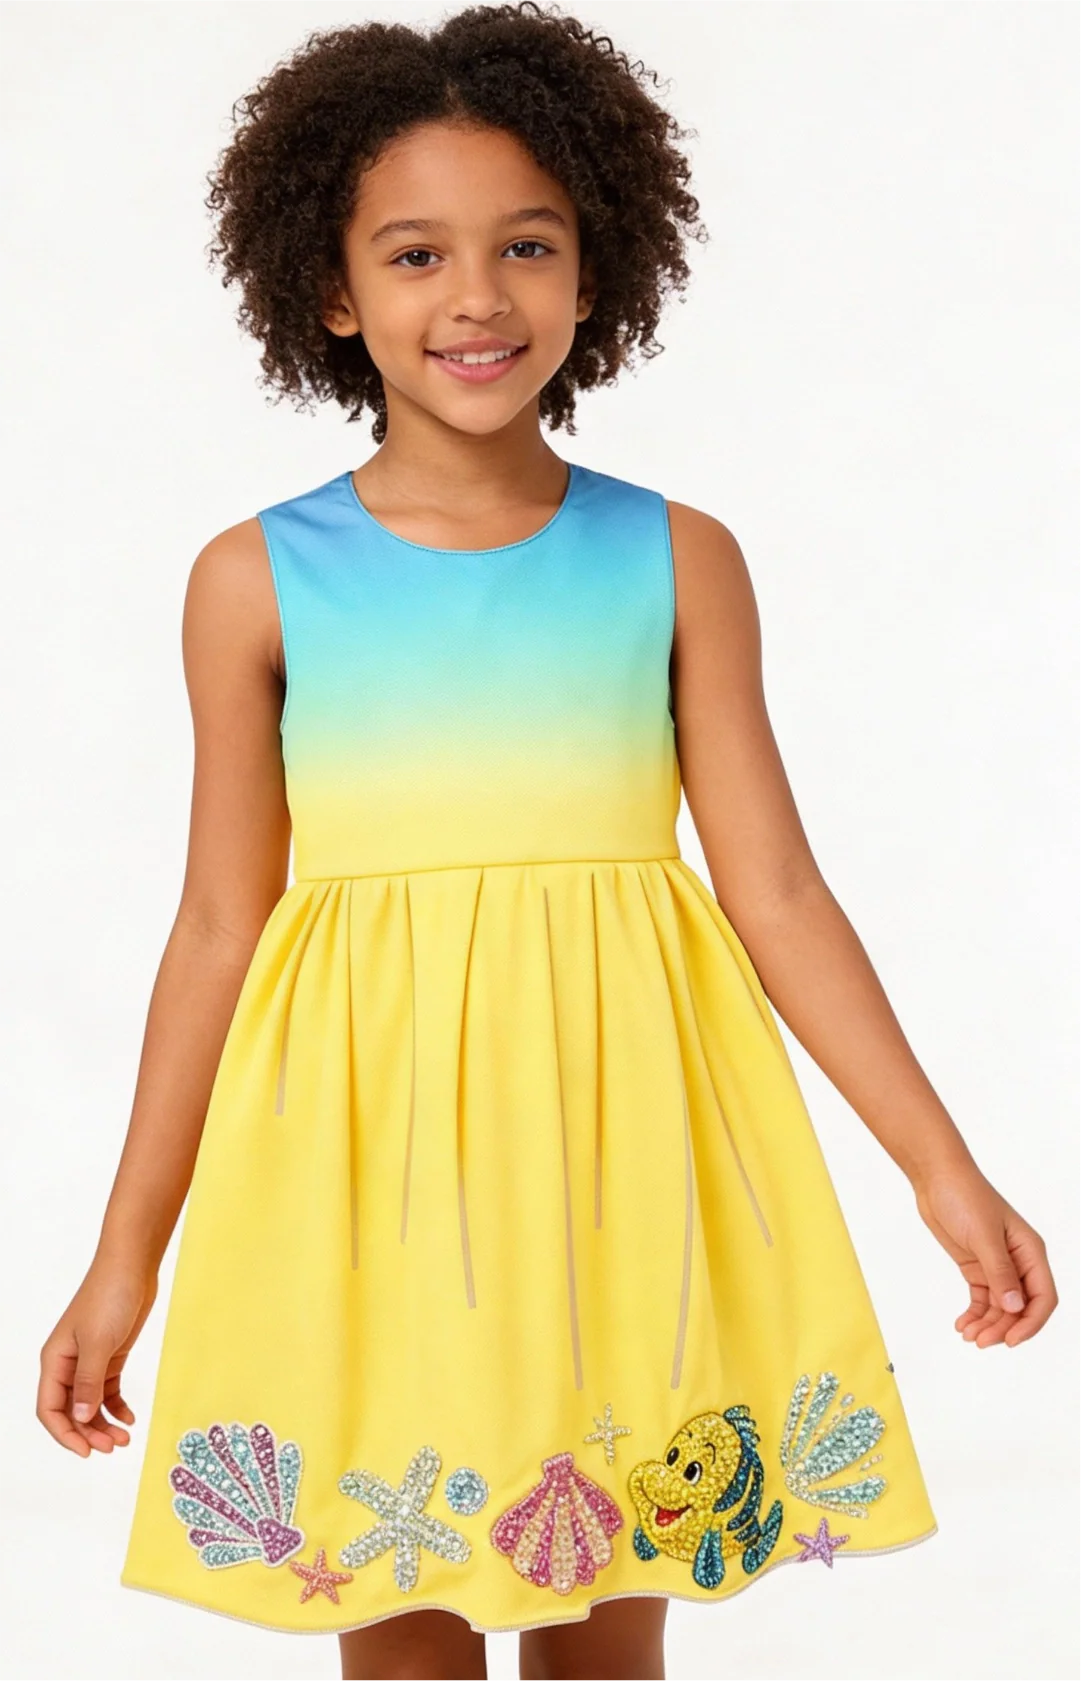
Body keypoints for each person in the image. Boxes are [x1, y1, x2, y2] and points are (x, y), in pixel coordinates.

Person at [36, 6, 1057, 1680]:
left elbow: (777, 889)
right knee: (400, 1622)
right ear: (330, 289)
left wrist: (941, 1168)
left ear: (597, 274)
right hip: (362, 1178)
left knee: (604, 1625)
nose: (479, 297)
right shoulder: (254, 583)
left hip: (613, 1160)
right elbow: (220, 924)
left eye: (527, 245)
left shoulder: (677, 558)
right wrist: (121, 1260)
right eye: (415, 254)